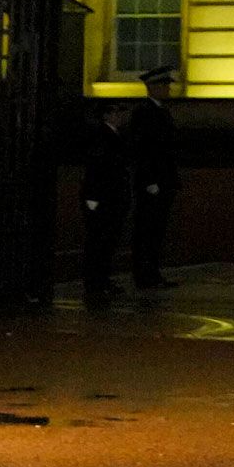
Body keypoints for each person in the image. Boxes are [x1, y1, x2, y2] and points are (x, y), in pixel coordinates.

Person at [126, 65, 182, 290]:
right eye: (164, 85)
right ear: (154, 88)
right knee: (147, 230)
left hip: (162, 180)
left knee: (156, 230)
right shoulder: (144, 113)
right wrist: (149, 180)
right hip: (153, 182)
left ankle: (152, 272)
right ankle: (144, 274)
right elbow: (143, 149)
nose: (168, 89)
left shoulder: (159, 112)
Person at [77, 97, 134, 305]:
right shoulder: (101, 135)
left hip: (110, 196)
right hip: (103, 197)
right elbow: (96, 168)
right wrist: (92, 197)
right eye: (117, 113)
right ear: (107, 115)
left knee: (107, 240)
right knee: (99, 240)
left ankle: (100, 279)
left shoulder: (111, 135)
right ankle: (95, 280)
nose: (121, 116)